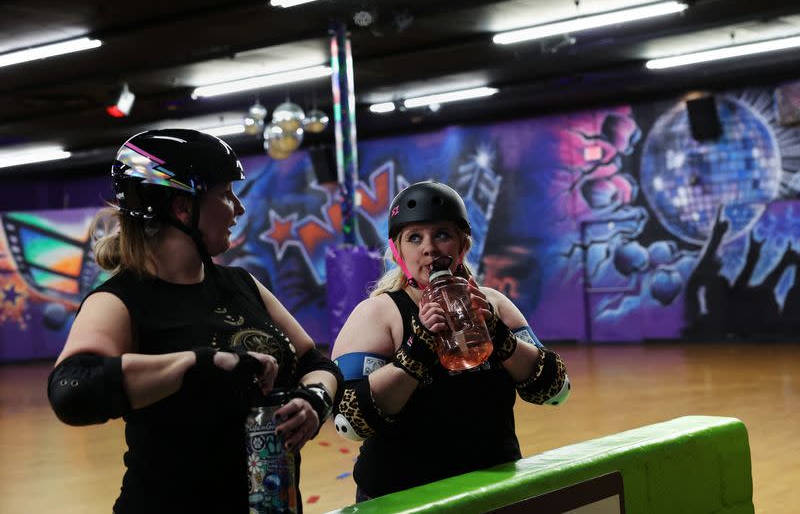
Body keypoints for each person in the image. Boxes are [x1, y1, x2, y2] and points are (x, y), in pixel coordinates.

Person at [46, 129, 343, 513]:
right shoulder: (120, 300)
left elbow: (314, 363)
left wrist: (313, 400)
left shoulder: (241, 284)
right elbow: (72, 388)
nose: (238, 208)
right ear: (182, 208)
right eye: (225, 194)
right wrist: (202, 362)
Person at [331, 181, 570, 500]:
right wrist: (416, 351)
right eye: (415, 237)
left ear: (463, 245)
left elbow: (556, 390)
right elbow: (349, 421)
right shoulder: (379, 314)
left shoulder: (493, 304)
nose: (429, 248)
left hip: (492, 490)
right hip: (405, 497)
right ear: (398, 251)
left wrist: (500, 337)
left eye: (441, 234)